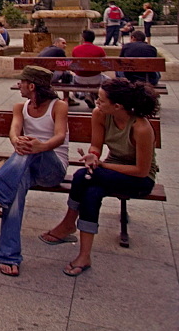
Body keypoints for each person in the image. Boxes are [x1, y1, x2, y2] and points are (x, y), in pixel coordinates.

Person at [40, 79, 159, 276]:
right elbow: (96, 146)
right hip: (108, 172)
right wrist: (93, 157)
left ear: (117, 106)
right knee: (92, 192)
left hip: (138, 180)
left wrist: (102, 165)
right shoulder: (101, 115)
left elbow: (141, 171)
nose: (96, 102)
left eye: (101, 100)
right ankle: (84, 256)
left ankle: (68, 224)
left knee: (81, 176)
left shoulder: (141, 128)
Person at [0, 66, 69, 277]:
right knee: (15, 191)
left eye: (21, 82)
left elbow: (59, 136)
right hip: (27, 166)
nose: (18, 86)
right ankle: (8, 255)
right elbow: (14, 131)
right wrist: (16, 141)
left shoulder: (58, 106)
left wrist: (42, 146)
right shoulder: (19, 107)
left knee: (28, 147)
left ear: (31, 86)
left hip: (53, 167)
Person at [70, 29, 106, 108]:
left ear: (83, 38)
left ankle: (87, 94)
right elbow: (104, 67)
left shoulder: (76, 49)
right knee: (109, 80)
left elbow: (73, 66)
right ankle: (94, 95)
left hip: (80, 79)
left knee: (73, 78)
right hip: (96, 78)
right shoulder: (99, 50)